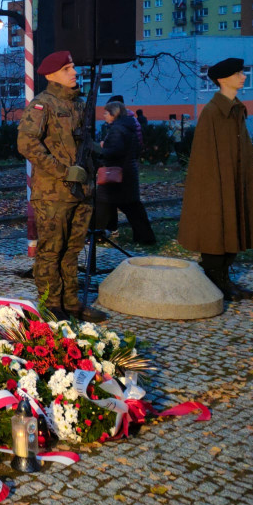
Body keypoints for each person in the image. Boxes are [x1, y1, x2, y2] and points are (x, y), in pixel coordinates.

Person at [18, 50, 105, 322]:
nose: (74, 73)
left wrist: (100, 153)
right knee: (51, 251)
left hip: (81, 191)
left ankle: (71, 302)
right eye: (68, 68)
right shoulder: (42, 104)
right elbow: (27, 144)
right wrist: (65, 172)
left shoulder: (77, 104)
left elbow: (81, 143)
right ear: (52, 74)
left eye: (73, 67)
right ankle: (51, 305)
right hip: (54, 193)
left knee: (72, 251)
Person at [178, 58, 253, 300]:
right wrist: (214, 188)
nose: (244, 76)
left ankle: (224, 279)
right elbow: (205, 156)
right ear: (222, 79)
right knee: (215, 229)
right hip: (215, 183)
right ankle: (215, 280)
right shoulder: (212, 112)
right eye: (238, 73)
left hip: (235, 179)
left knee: (234, 225)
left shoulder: (236, 109)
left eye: (242, 72)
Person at [95, 101, 156, 245]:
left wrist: (98, 148)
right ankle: (145, 238)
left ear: (113, 113)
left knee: (102, 203)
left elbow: (114, 152)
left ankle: (96, 234)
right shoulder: (129, 126)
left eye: (106, 113)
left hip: (116, 174)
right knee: (132, 207)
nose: (104, 116)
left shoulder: (117, 129)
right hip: (127, 172)